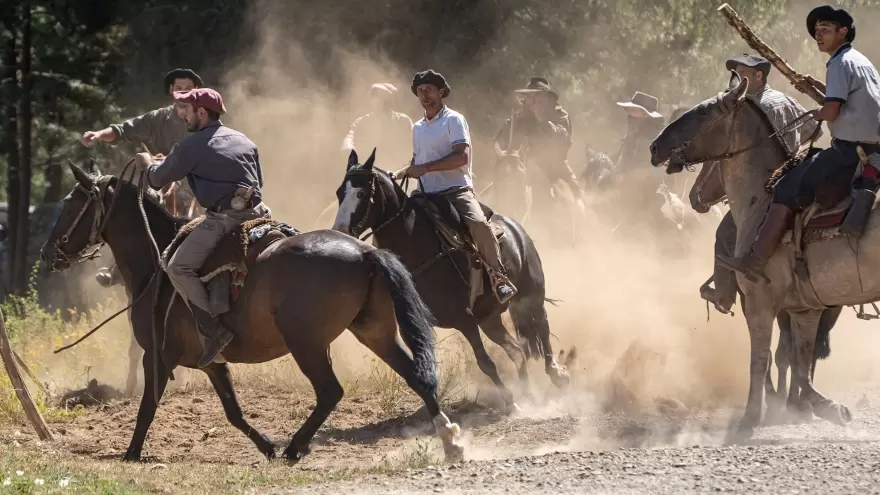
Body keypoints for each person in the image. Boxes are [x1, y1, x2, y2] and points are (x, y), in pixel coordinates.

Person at [719, 5, 880, 283]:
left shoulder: (839, 64)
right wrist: (819, 89)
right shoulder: (860, 61)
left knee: (786, 187)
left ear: (843, 32)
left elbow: (832, 112)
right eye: (816, 31)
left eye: (825, 29)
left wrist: (820, 111)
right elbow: (852, 105)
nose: (818, 35)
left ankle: (756, 261)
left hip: (850, 152)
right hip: (873, 147)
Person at [134, 88, 270, 368]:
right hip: (261, 214)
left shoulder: (191, 145)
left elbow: (158, 180)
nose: (183, 114)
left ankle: (213, 331)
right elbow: (260, 181)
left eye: (188, 109)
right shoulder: (244, 139)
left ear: (202, 112)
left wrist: (147, 165)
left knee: (177, 267)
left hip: (225, 219)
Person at [395, 69, 517, 303]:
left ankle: (499, 278)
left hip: (455, 193)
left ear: (441, 92)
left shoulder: (454, 119)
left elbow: (461, 157)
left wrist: (426, 168)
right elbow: (417, 161)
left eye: (429, 89)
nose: (424, 95)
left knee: (479, 225)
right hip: (425, 194)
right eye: (420, 91)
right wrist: (399, 172)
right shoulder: (418, 127)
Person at [82, 68, 203, 288]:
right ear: (171, 91)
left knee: (210, 212)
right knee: (134, 207)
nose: (183, 93)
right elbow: (124, 130)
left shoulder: (203, 116)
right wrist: (98, 135)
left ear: (196, 91)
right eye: (178, 88)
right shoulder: (159, 118)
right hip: (162, 179)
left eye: (188, 89)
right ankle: (118, 267)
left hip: (195, 181)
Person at [493, 77, 582, 209]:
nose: (530, 99)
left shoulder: (560, 115)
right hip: (528, 164)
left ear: (545, 97)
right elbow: (504, 138)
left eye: (534, 95)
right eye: (528, 95)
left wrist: (543, 121)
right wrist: (503, 149)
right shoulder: (523, 114)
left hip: (556, 165)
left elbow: (562, 138)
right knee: (502, 186)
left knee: (577, 194)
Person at [341, 83, 414, 166]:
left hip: (400, 169)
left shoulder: (403, 120)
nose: (377, 101)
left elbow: (416, 141)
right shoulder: (363, 121)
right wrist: (348, 145)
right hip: (370, 170)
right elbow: (351, 135)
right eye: (374, 97)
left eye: (381, 98)